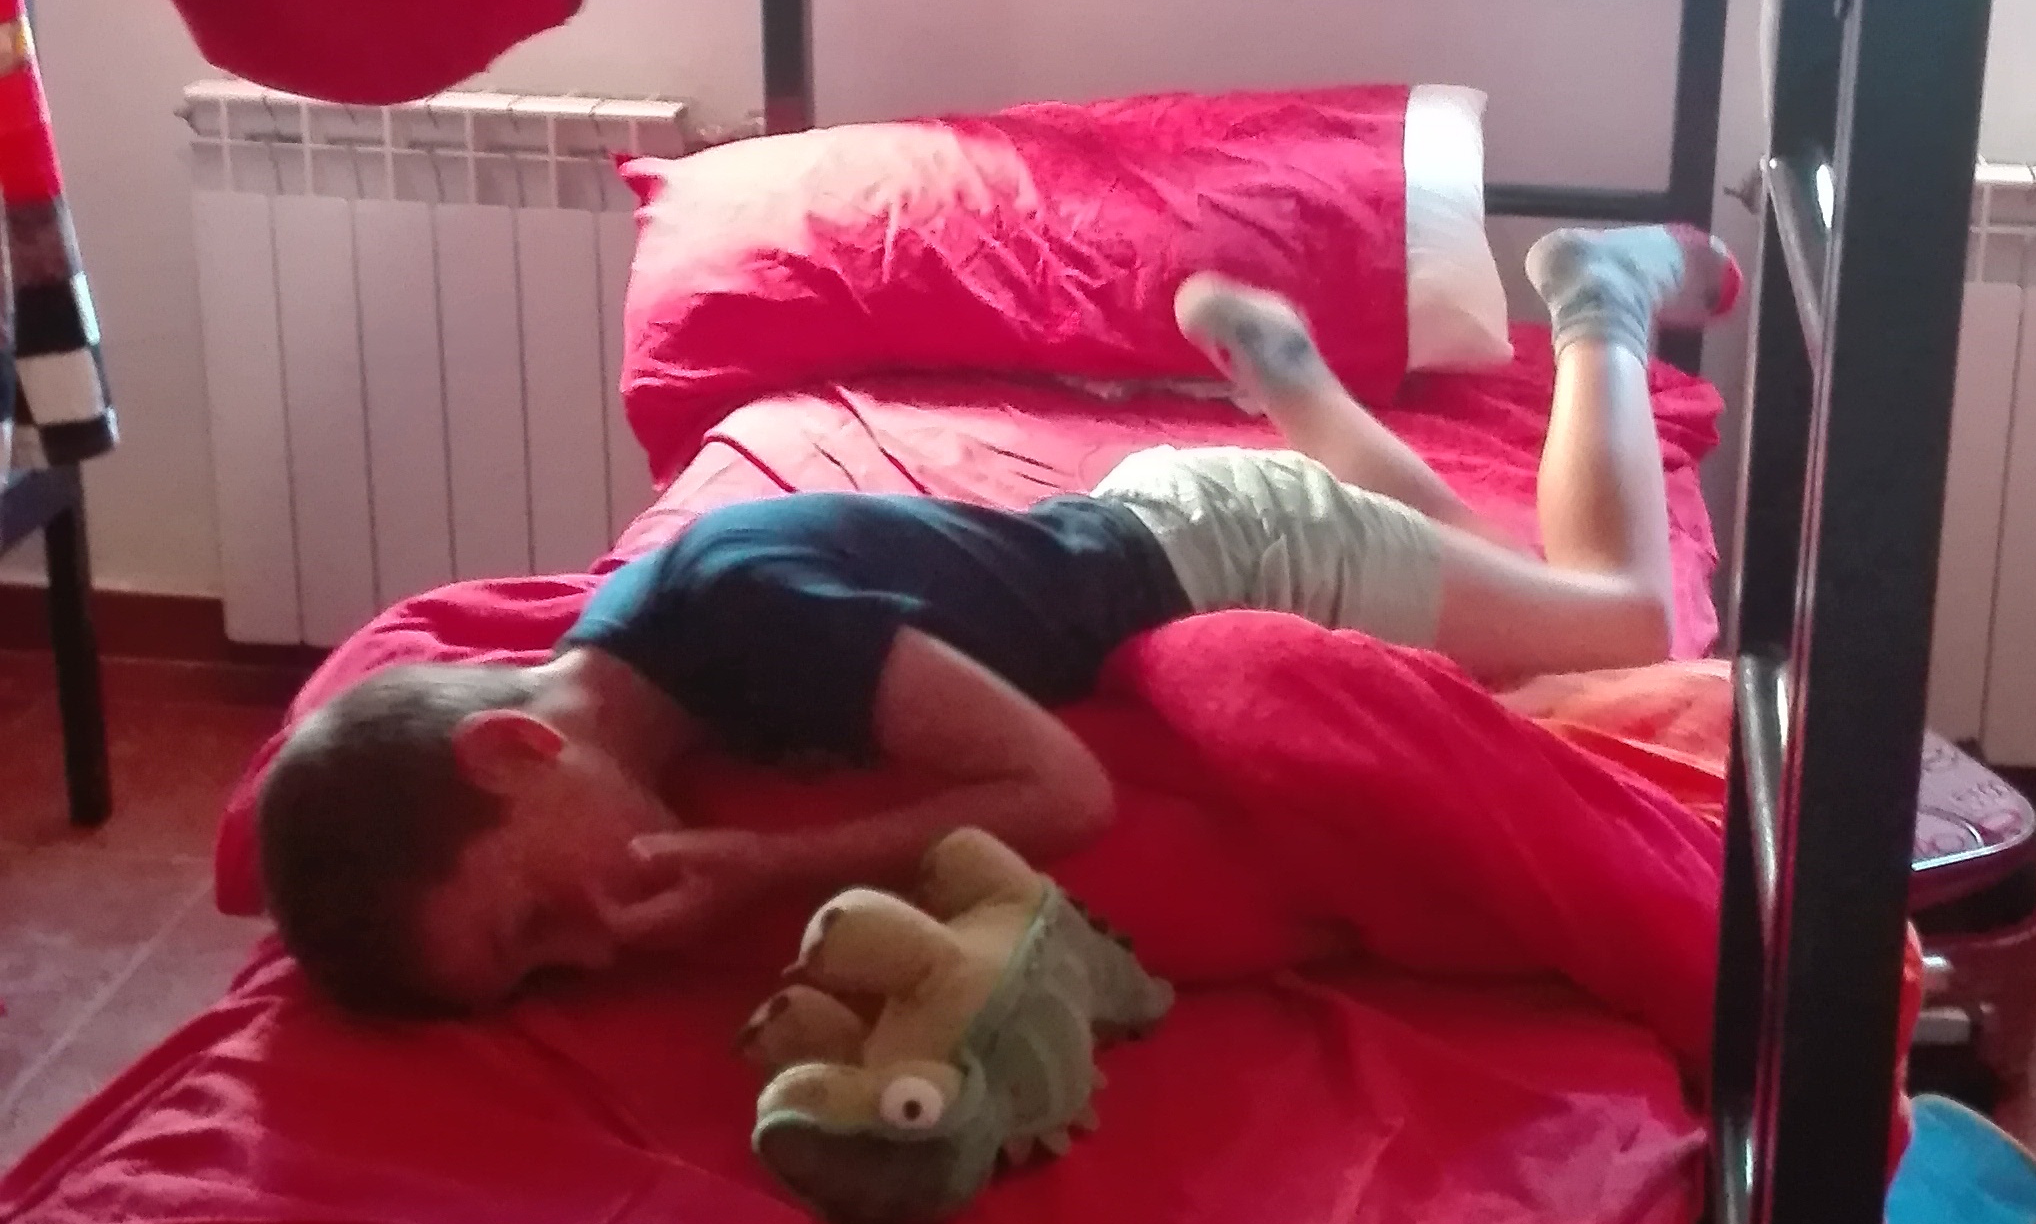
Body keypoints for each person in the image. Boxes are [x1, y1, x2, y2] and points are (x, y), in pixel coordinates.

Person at [258, 221, 1734, 1018]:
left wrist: (769, 866)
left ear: (515, 747)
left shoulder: (749, 621)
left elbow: (1062, 790)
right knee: (1461, 557)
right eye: (540, 972)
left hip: (1231, 557)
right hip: (1151, 527)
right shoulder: (643, 646)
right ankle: (1294, 386)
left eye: (533, 923)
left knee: (1619, 619)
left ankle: (1598, 297)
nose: (583, 957)